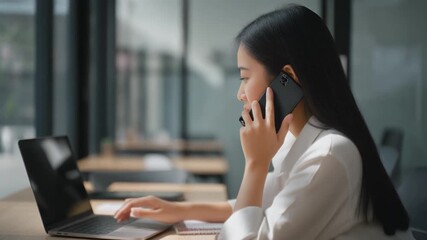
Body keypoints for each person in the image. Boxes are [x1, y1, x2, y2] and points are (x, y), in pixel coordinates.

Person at [114, 4, 414, 239]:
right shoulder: (302, 140)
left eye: (245, 77)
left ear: (288, 78)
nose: (240, 94)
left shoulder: (330, 153)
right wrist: (178, 209)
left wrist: (256, 164)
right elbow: (260, 202)